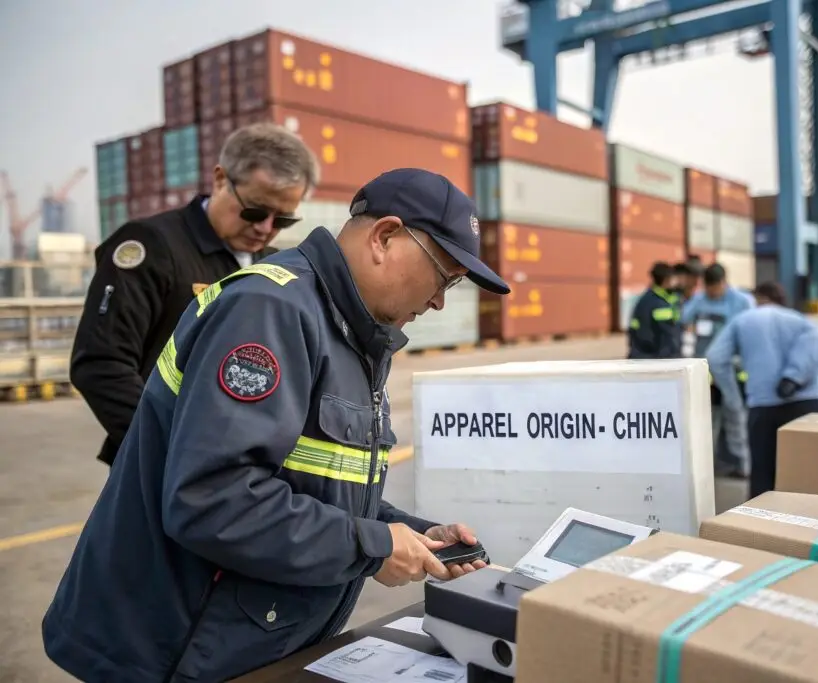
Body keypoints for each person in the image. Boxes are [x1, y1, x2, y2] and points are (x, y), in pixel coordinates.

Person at [42, 168, 509, 683]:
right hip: (175, 648)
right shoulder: (271, 310)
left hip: (245, 642)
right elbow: (211, 499)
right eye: (445, 278)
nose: (441, 301)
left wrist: (414, 536)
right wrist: (370, 547)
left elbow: (322, 483)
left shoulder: (354, 333)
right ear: (385, 237)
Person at [71, 122, 314, 466]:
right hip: (162, 467)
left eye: (283, 220)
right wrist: (176, 451)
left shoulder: (274, 265)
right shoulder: (153, 246)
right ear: (220, 180)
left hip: (242, 472)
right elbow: (100, 364)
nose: (265, 228)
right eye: (255, 211)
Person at [705, 282, 818, 500]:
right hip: (807, 403)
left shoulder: (743, 320)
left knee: (763, 474)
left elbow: (716, 357)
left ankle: (761, 527)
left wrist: (734, 397)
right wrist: (793, 377)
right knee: (809, 474)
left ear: (758, 298)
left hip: (763, 407)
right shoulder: (797, 319)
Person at [682, 263, 755, 478]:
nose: (711, 293)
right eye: (708, 288)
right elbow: (684, 319)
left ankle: (742, 463)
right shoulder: (699, 299)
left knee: (735, 413)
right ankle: (706, 465)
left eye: (714, 288)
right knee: (705, 417)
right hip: (704, 369)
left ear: (724, 282)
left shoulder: (742, 302)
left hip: (731, 368)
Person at [627, 261, 681, 359]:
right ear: (666, 280)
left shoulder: (645, 299)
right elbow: (668, 336)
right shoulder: (660, 305)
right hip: (656, 358)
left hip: (640, 355)